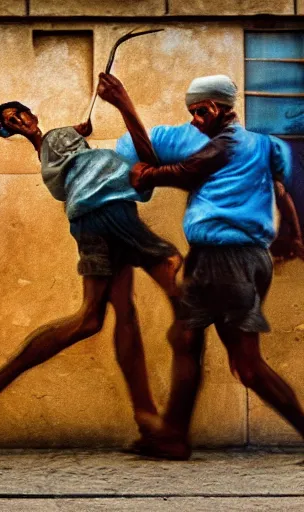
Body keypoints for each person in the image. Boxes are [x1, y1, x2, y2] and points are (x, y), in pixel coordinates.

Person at [0, 73, 207, 442]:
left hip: (92, 219)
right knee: (169, 269)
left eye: (18, 113)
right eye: (9, 122)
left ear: (30, 114)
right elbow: (133, 157)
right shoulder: (56, 142)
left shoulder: (54, 153)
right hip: (110, 211)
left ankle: (144, 416)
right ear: (10, 132)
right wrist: (112, 109)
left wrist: (80, 129)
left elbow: (67, 140)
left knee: (104, 317)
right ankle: (164, 409)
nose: (17, 120)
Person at [125, 74, 304, 459]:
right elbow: (280, 191)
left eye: (198, 112)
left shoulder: (229, 141)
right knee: (186, 339)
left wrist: (147, 174)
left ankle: (174, 435)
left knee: (248, 364)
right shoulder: (261, 145)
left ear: (215, 107)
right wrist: (291, 233)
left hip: (226, 258)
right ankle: (173, 435)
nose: (194, 121)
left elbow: (187, 171)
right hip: (227, 258)